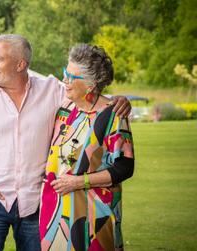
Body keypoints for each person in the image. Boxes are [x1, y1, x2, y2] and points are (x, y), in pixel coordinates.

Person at [0, 34, 131, 251]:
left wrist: (119, 99)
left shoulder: (52, 90)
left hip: (37, 202)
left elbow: (88, 94)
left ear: (20, 64)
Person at [39, 44, 134, 251]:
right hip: (55, 212)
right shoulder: (65, 109)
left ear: (91, 85)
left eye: (72, 77)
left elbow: (125, 167)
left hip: (95, 213)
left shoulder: (113, 115)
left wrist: (78, 182)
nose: (65, 80)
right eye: (65, 72)